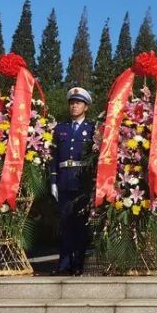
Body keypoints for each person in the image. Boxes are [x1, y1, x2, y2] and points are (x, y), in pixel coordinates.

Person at [50, 87, 95, 276]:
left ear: (86, 106)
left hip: (82, 181)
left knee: (80, 225)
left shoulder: (91, 129)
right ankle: (63, 264)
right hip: (64, 180)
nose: (74, 106)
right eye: (72, 103)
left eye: (78, 103)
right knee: (65, 224)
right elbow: (52, 156)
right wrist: (53, 180)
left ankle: (78, 264)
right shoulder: (61, 128)